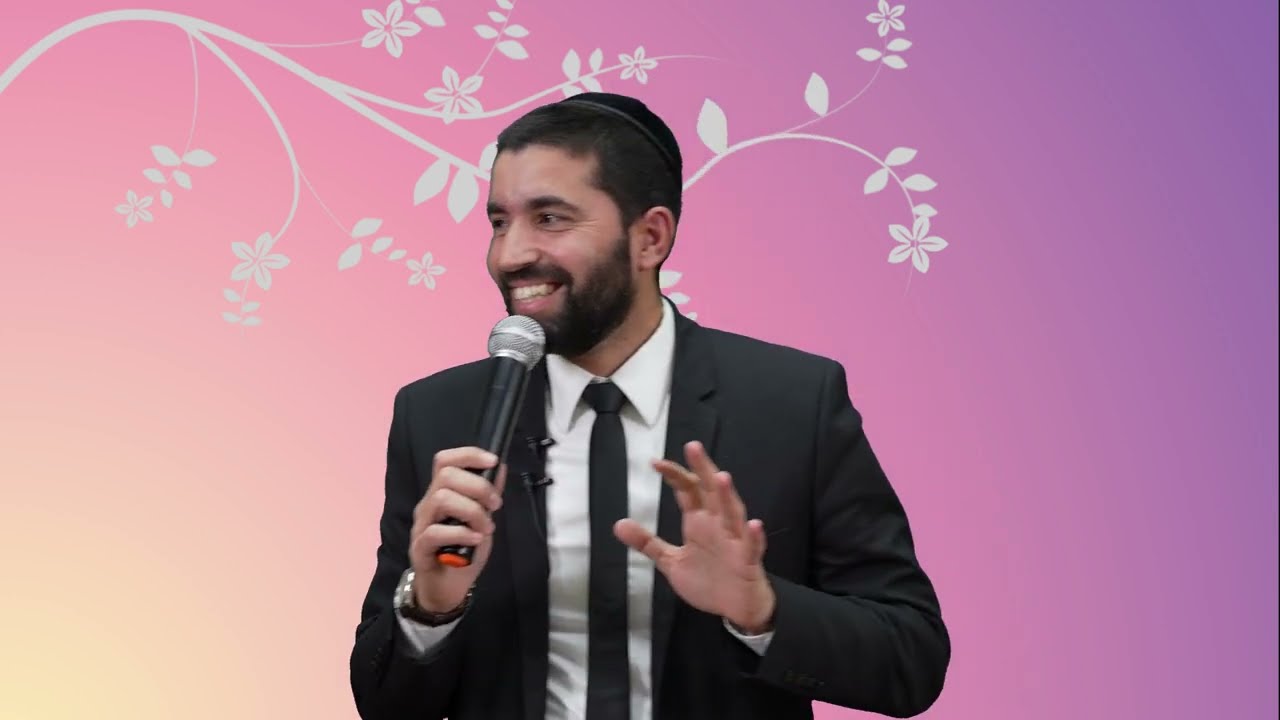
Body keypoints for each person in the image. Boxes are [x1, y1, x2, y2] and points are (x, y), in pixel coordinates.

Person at [349, 92, 950, 720]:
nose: (509, 254)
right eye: (500, 222)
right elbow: (383, 701)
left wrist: (760, 607)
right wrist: (430, 608)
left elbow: (911, 660)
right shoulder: (437, 415)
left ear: (650, 238)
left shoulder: (794, 402)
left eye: (550, 218)